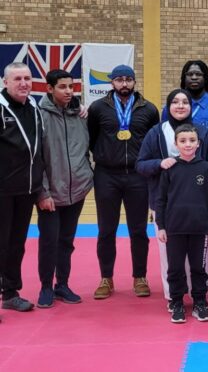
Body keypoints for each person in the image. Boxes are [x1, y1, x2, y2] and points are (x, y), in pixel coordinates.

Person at [136, 89, 208, 309]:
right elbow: (140, 164)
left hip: (197, 207)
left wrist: (204, 179)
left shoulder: (202, 132)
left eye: (185, 102)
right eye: (175, 102)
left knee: (196, 258)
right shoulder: (155, 133)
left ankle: (198, 296)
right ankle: (174, 298)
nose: (180, 106)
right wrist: (159, 164)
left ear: (191, 107)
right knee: (170, 258)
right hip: (165, 205)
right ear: (168, 106)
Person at [87, 65, 159, 299]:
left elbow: (153, 142)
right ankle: (106, 278)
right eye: (119, 80)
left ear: (135, 82)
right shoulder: (98, 108)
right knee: (106, 229)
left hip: (138, 175)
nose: (124, 84)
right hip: (107, 174)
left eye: (128, 79)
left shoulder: (149, 109)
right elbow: (91, 138)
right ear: (112, 83)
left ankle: (140, 276)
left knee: (138, 230)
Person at [35, 69, 93, 308]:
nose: (69, 91)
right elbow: (35, 158)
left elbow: (88, 146)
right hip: (50, 193)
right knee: (49, 240)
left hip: (77, 190)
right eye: (62, 87)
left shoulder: (80, 115)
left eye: (71, 86)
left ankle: (62, 284)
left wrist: (87, 176)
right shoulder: (39, 116)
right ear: (49, 88)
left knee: (67, 240)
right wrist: (42, 191)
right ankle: (46, 287)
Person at [156, 124, 208, 323]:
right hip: (174, 228)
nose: (188, 144)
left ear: (198, 143)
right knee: (175, 267)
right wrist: (162, 225)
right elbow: (161, 199)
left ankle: (200, 301)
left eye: (192, 140)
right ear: (176, 144)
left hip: (200, 228)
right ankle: (176, 301)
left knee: (198, 267)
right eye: (183, 141)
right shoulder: (170, 168)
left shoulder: (206, 168)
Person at [0, 62, 44, 313]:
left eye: (27, 78)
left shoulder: (34, 107)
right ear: (5, 82)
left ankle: (10, 292)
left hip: (26, 189)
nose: (24, 83)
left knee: (16, 243)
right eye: (17, 79)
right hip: (2, 189)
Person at [161, 60, 208, 129]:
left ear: (206, 78)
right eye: (190, 74)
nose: (194, 77)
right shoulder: (171, 108)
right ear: (184, 78)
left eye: (198, 74)